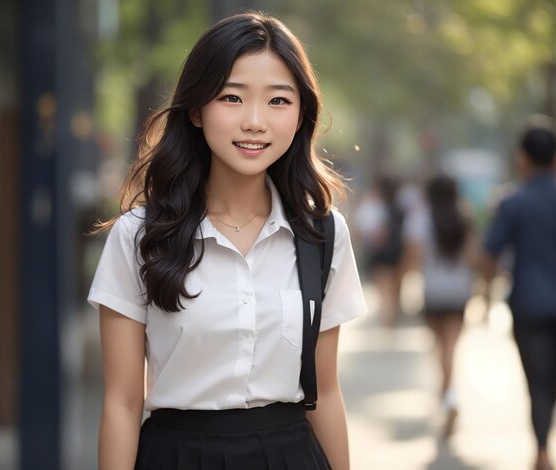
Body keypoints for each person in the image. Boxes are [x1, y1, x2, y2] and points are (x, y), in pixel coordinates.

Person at [88, 12, 367, 470]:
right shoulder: (140, 236)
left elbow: (327, 391)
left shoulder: (323, 234)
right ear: (196, 110)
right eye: (232, 97)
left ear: (301, 115)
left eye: (278, 101)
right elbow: (120, 403)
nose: (255, 121)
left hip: (290, 456)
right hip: (176, 457)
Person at [482, 122, 556, 470]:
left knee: (536, 379)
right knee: (553, 377)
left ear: (522, 159)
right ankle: (543, 446)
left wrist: (485, 296)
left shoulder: (513, 202)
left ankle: (542, 450)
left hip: (527, 305)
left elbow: (491, 252)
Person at [403, 174, 477, 439]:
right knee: (451, 347)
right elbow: (473, 255)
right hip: (459, 290)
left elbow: (413, 256)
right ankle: (448, 394)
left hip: (433, 291)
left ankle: (448, 395)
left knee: (440, 347)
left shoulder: (421, 218)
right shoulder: (464, 216)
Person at [354, 175, 405, 327]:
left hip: (381, 254)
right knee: (394, 288)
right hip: (399, 252)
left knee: (385, 289)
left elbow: (366, 230)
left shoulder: (376, 206)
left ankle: (388, 321)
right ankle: (393, 316)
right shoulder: (401, 207)